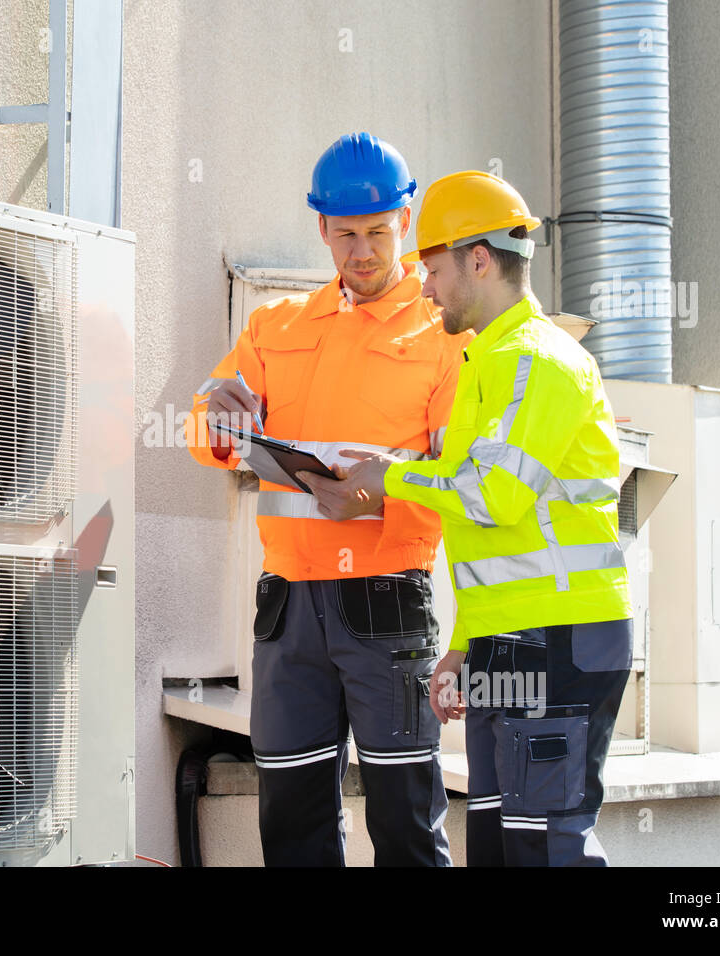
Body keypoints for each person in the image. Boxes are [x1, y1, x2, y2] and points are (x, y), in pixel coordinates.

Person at [312, 170, 634, 866]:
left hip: (562, 642)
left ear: (478, 259)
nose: (424, 288)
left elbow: (494, 495)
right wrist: (465, 645)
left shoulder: (537, 362)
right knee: (496, 846)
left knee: (547, 847)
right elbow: (489, 534)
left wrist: (389, 476)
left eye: (431, 269)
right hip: (511, 639)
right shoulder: (487, 366)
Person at [185, 132, 467, 866]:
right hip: (288, 610)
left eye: (378, 233)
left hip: (386, 601)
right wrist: (217, 413)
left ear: (404, 224)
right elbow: (202, 430)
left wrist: (389, 478)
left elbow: (464, 473)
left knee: (406, 822)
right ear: (321, 229)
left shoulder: (443, 335)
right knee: (292, 822)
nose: (363, 252)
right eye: (346, 235)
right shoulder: (275, 327)